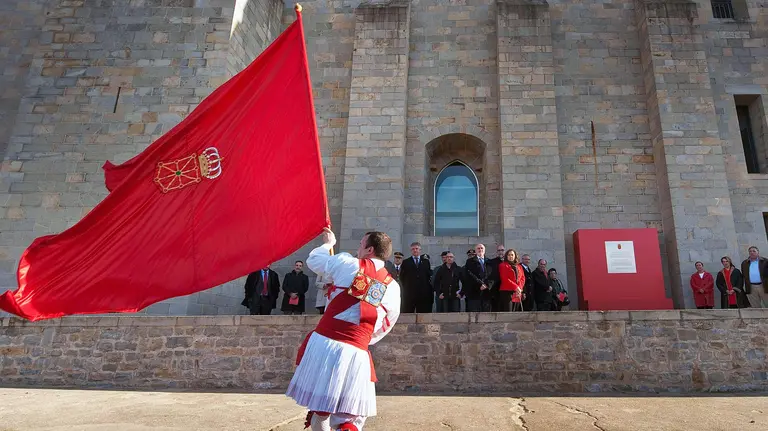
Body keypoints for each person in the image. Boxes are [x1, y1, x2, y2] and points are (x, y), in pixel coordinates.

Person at [286, 228, 401, 431]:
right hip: (357, 352)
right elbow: (387, 324)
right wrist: (361, 338)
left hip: (325, 344)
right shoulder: (392, 287)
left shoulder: (347, 263)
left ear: (370, 250)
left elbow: (314, 260)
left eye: (361, 244)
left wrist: (328, 243)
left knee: (321, 409)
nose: (358, 248)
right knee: (349, 418)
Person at [398, 242, 432, 313]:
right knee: (408, 312)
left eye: (416, 248)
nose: (415, 250)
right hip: (410, 293)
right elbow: (402, 277)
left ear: (420, 250)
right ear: (411, 250)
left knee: (422, 313)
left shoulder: (426, 262)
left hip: (423, 293)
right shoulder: (406, 262)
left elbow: (428, 275)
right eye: (413, 249)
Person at [463, 244, 493, 312]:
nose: (480, 250)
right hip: (474, 293)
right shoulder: (470, 261)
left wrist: (487, 285)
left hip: (487, 293)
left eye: (482, 248)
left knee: (486, 314)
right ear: (475, 251)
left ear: (484, 250)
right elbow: (469, 276)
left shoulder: (490, 262)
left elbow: (492, 276)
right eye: (478, 248)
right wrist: (479, 285)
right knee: (474, 314)